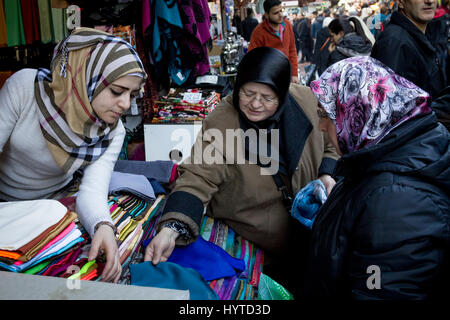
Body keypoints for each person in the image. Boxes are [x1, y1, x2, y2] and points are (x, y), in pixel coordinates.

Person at [144, 47, 339, 295]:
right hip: (260, 245)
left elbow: (332, 144)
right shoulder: (222, 122)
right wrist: (172, 227)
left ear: (282, 93)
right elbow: (198, 177)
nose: (255, 104)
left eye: (267, 97)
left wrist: (326, 173)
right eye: (247, 93)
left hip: (310, 237)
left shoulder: (308, 103)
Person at [0, 27, 147, 283]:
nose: (125, 104)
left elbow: (93, 190)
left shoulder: (112, 131)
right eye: (117, 91)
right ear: (87, 77)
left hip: (53, 206)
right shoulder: (26, 88)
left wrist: (103, 226)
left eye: (131, 95)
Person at [306, 56, 450, 299]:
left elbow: (378, 289)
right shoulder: (379, 155)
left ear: (359, 111)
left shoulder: (398, 201)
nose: (321, 126)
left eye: (326, 114)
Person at [371, 0, 446, 99]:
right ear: (401, 2)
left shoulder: (429, 33)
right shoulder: (395, 42)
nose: (429, 1)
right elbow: (393, 105)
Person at [248, 0, 299, 83]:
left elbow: (292, 49)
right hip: (268, 76)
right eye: (276, 13)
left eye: (281, 11)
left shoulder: (287, 25)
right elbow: (252, 57)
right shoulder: (259, 32)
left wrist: (294, 73)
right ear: (267, 15)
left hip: (286, 72)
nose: (280, 15)